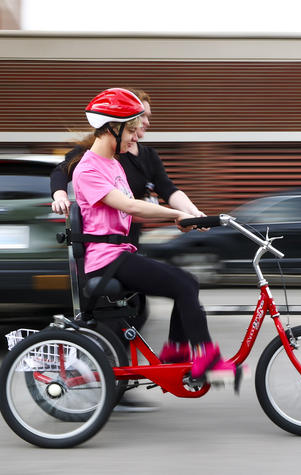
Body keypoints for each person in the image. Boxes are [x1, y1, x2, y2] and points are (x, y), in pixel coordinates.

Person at [71, 88, 238, 387]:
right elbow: (129, 204)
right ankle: (206, 362)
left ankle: (176, 359)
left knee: (188, 283)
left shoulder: (112, 164)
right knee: (185, 284)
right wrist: (174, 215)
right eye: (131, 130)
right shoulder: (88, 168)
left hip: (119, 254)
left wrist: (183, 219)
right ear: (112, 127)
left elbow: (130, 214)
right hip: (105, 259)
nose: (136, 137)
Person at [50, 87, 204, 245]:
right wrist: (60, 197)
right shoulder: (100, 154)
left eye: (147, 116)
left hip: (129, 238)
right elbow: (62, 171)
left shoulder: (148, 156)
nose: (146, 122)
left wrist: (192, 212)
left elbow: (168, 189)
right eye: (142, 115)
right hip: (104, 242)